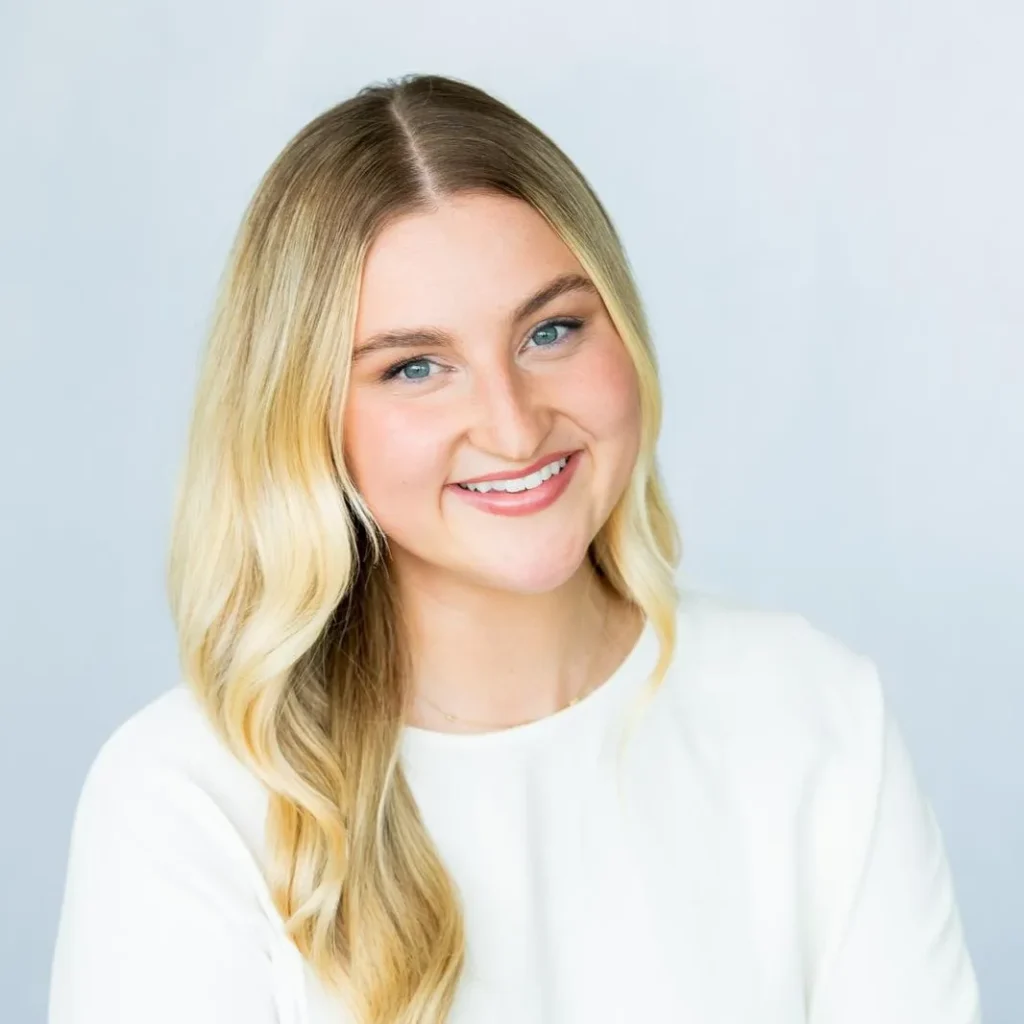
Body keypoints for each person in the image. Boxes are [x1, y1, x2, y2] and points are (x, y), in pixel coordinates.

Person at [48, 73, 982, 1024]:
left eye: (551, 330)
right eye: (415, 366)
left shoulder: (818, 714)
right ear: (304, 420)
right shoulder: (188, 802)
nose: (512, 423)